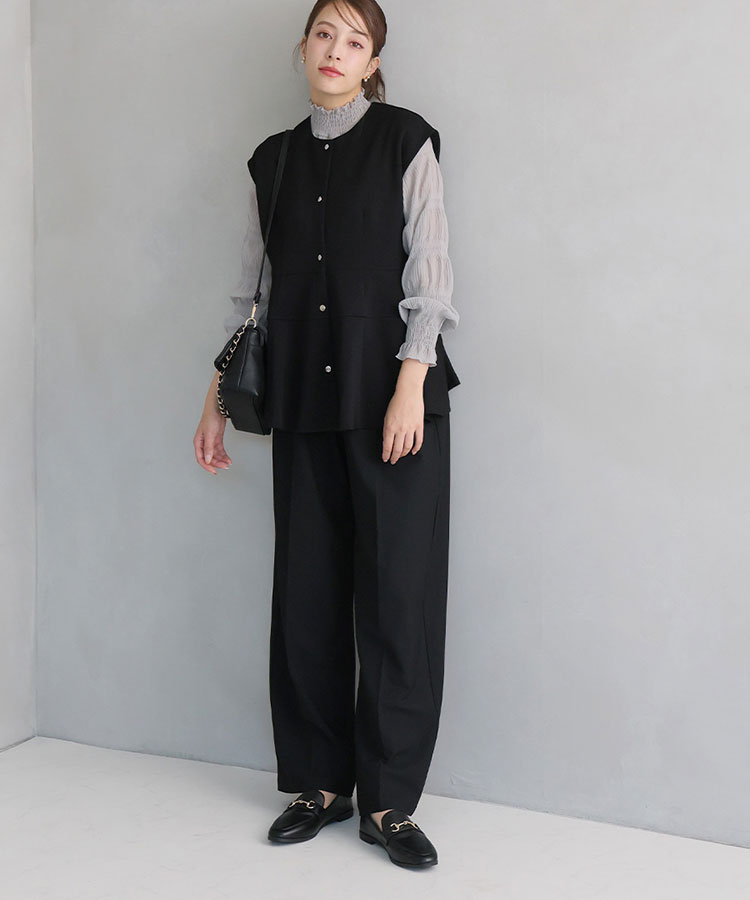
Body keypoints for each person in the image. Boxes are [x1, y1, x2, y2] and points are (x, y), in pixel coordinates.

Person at [193, 0, 460, 869]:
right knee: (306, 596)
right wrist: (217, 397)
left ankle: (388, 803)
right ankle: (319, 783)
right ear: (303, 47)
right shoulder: (271, 161)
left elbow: (431, 273)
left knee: (398, 601)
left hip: (396, 404)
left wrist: (411, 382)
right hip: (304, 399)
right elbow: (252, 294)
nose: (336, 51)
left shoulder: (406, 141)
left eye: (355, 40)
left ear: (372, 60)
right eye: (324, 34)